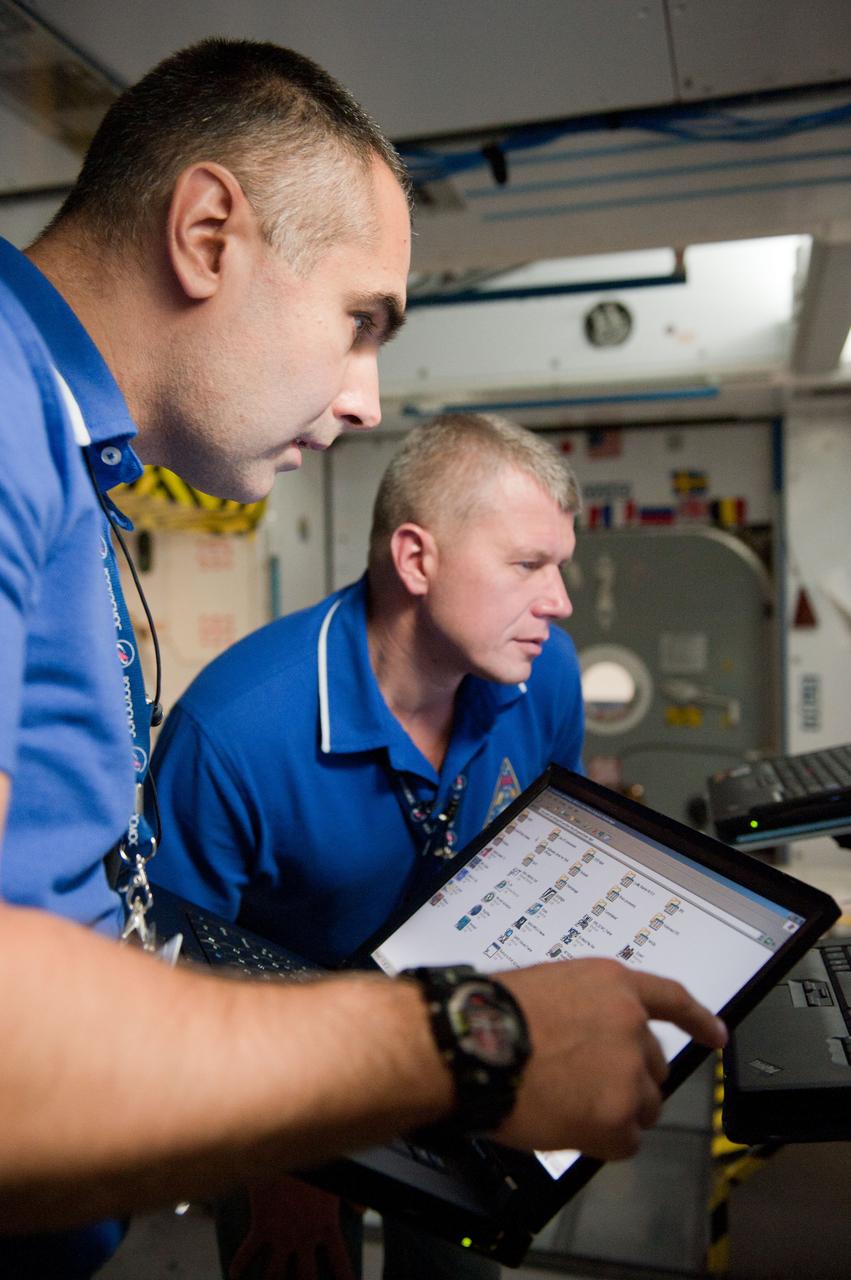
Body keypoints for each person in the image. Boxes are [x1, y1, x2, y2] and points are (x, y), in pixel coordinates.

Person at [0, 32, 727, 1280]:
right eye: (356, 320)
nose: (366, 399)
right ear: (209, 234)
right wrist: (463, 1043)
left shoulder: (63, 452)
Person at [150, 411, 584, 1278]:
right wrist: (280, 1155)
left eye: (561, 567)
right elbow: (168, 985)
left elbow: (547, 858)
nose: (559, 602)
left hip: (457, 1046)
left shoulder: (545, 673)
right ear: (416, 560)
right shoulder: (233, 733)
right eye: (527, 565)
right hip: (275, 1082)